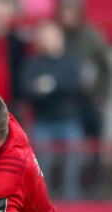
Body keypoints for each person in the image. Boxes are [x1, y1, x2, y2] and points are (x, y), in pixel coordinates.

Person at [19, 21, 85, 200]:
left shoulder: (71, 61)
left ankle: (73, 203)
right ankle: (42, 204)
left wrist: (50, 85)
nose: (49, 41)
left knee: (72, 166)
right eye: (45, 37)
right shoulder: (34, 63)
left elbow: (76, 86)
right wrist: (48, 88)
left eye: (53, 36)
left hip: (69, 120)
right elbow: (25, 88)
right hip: (43, 121)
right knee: (41, 169)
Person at [56, 0, 111, 198]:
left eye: (71, 11)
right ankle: (68, 187)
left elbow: (105, 66)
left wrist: (101, 93)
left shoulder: (92, 37)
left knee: (95, 144)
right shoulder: (56, 35)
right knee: (70, 145)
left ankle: (96, 186)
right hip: (66, 101)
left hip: (89, 100)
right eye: (64, 11)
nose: (67, 15)